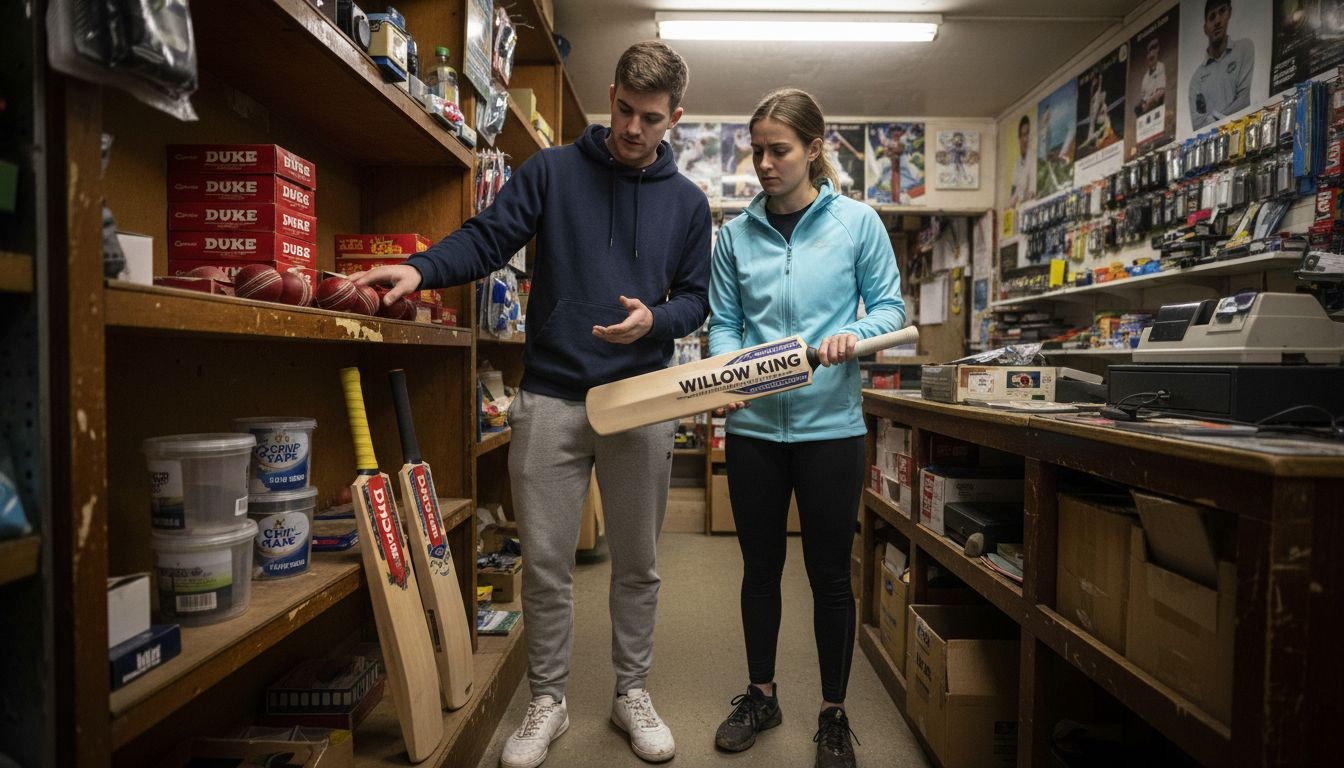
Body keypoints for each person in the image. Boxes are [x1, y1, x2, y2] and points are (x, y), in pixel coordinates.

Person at [354, 40, 711, 768]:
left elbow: (697, 300)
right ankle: (549, 699)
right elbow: (488, 240)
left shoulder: (689, 204)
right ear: (610, 94)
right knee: (547, 563)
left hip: (639, 399)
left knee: (638, 564)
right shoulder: (551, 171)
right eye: (623, 110)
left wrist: (656, 320)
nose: (633, 129)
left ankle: (630, 693)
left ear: (676, 117)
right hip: (550, 396)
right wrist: (421, 269)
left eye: (651, 118)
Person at [707, 88, 906, 768]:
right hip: (756, 430)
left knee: (829, 575)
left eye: (779, 150)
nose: (763, 163)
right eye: (755, 150)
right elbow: (725, 324)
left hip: (832, 430)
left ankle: (833, 712)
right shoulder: (734, 235)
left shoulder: (858, 224)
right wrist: (724, 375)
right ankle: (761, 694)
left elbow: (888, 308)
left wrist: (856, 335)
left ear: (815, 150)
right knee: (759, 569)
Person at [1189, 0, 1254, 130]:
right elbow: (1198, 127)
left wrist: (1212, 118)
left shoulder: (1244, 48)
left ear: (1229, 13)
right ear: (1205, 28)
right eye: (1212, 17)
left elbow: (1244, 101)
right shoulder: (1196, 79)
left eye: (1222, 11)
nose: (1218, 20)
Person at [1136, 36, 1167, 115]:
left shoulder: (1160, 66)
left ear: (1157, 51)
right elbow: (1142, 97)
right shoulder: (1145, 78)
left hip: (1156, 107)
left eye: (1154, 49)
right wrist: (1142, 104)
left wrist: (1148, 101)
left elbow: (1161, 92)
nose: (1151, 55)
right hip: (1146, 110)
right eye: (1149, 52)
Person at [1009, 114, 1035, 206]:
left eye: (1028, 134)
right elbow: (1014, 188)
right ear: (1019, 138)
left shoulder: (1033, 158)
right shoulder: (1017, 163)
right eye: (1023, 135)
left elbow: (1032, 192)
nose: (1026, 139)